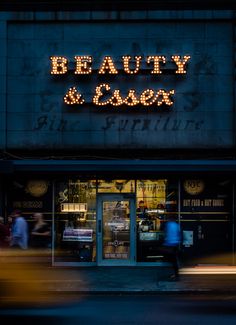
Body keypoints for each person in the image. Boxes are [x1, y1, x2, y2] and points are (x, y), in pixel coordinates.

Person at [162, 214, 181, 281]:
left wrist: (164, 241)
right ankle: (176, 273)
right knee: (173, 259)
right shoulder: (176, 225)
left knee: (172, 260)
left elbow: (166, 234)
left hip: (169, 244)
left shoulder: (168, 224)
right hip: (175, 244)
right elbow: (179, 234)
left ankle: (176, 274)